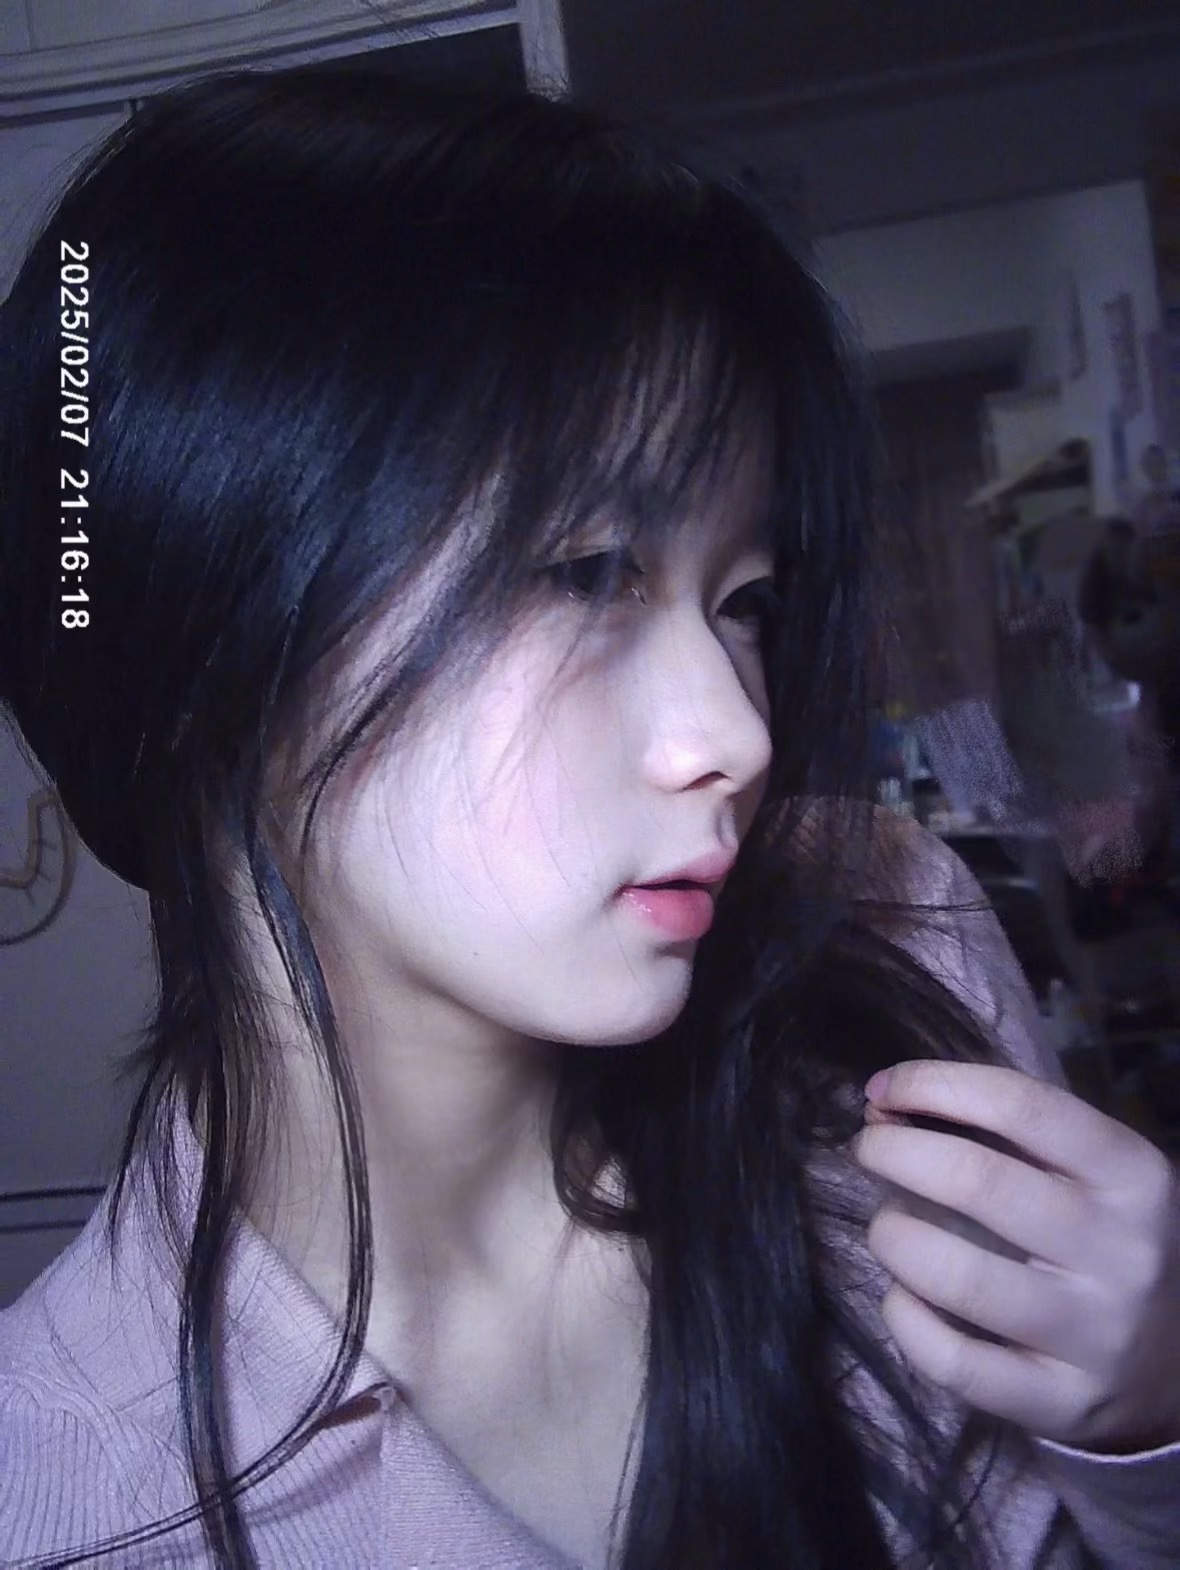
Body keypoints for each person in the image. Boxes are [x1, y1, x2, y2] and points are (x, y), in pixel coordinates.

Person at [0, 66, 1177, 1570]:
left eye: (744, 601)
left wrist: (1150, 1418)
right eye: (587, 572)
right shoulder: (64, 1493)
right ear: (206, 629)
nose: (738, 737)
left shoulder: (892, 930)